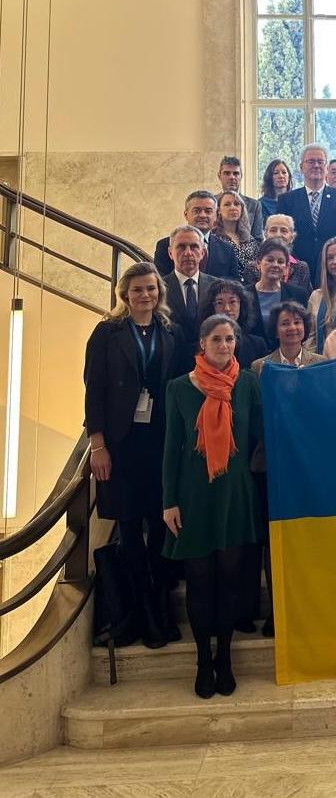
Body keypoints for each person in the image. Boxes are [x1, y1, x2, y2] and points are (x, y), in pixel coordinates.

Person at [162, 314, 263, 698]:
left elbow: (263, 432)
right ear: (202, 344)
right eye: (217, 339)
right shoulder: (178, 388)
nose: (224, 345)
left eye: (229, 339)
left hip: (234, 494)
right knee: (200, 582)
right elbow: (171, 449)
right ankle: (203, 659)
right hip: (194, 495)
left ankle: (225, 657)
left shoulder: (247, 383)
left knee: (230, 580)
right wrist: (169, 501)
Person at [84, 262, 184, 649]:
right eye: (138, 289)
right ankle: (141, 615)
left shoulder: (170, 332)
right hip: (121, 445)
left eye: (151, 288)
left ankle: (157, 610)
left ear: (160, 292)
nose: (145, 295)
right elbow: (94, 390)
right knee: (128, 530)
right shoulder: (107, 333)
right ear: (125, 294)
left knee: (159, 527)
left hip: (159, 442)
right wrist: (98, 445)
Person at [250, 301, 325, 638]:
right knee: (274, 539)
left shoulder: (320, 364)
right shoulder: (260, 367)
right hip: (270, 464)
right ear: (275, 329)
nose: (292, 328)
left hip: (308, 464)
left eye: (297, 322)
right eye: (285, 323)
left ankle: (308, 607)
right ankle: (277, 610)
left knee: (308, 536)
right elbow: (255, 415)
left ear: (305, 327)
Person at [276, 143, 336, 279]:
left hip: (333, 269)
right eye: (311, 162)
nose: (316, 166)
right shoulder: (286, 200)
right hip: (296, 271)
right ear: (301, 167)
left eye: (320, 162)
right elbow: (282, 237)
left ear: (326, 167)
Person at [153, 191, 239, 279]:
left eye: (208, 211)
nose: (202, 215)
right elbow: (160, 281)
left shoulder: (227, 249)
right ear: (186, 215)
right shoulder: (165, 245)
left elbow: (235, 282)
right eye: (197, 211)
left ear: (216, 215)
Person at [162, 225, 221, 349]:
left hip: (208, 355)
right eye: (181, 247)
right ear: (170, 253)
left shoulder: (217, 286)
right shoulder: (159, 288)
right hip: (171, 355)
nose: (188, 253)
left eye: (194, 247)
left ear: (202, 252)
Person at [244, 238, 309, 343]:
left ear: (286, 267)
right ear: (258, 263)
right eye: (270, 260)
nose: (275, 265)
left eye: (280, 261)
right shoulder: (244, 295)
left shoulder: (299, 295)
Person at [200, 279, 268, 368]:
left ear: (241, 305)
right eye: (220, 303)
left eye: (232, 302)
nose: (227, 308)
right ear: (211, 307)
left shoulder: (257, 345)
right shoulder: (200, 345)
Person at [249, 214, 311, 294]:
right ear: (265, 235)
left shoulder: (301, 268)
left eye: (284, 231)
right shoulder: (252, 268)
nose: (278, 234)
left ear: (292, 237)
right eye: (273, 230)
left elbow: (304, 297)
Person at [213, 190, 261, 285]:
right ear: (219, 210)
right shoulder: (213, 238)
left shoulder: (250, 239)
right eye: (227, 204)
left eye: (236, 204)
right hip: (225, 287)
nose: (233, 208)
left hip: (251, 287)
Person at [217, 156, 264, 239]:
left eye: (236, 173)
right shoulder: (212, 203)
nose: (232, 177)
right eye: (227, 173)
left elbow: (258, 238)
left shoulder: (254, 205)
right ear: (219, 176)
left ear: (241, 176)